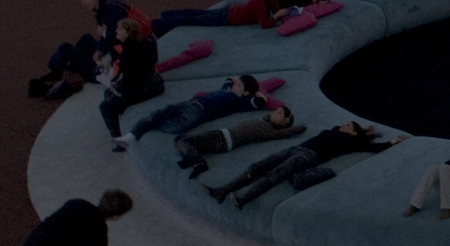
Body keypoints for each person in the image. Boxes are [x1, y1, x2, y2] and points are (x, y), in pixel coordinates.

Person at [205, 121, 405, 208]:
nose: (343, 125)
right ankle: (223, 190)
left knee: (273, 175)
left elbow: (373, 147)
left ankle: (243, 198)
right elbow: (343, 129)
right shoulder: (337, 131)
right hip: (296, 148)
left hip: (308, 156)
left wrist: (392, 141)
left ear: (353, 133)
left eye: (348, 126)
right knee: (257, 167)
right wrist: (365, 130)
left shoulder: (351, 141)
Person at [114, 76, 266, 150]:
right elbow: (228, 80)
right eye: (236, 83)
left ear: (246, 92)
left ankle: (152, 126)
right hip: (192, 102)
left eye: (239, 85)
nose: (235, 85)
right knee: (162, 111)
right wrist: (234, 80)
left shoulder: (240, 101)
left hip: (201, 113)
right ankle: (131, 135)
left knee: (179, 126)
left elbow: (258, 103)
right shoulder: (227, 88)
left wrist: (259, 94)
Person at [175, 104, 305, 178]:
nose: (276, 111)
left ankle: (198, 163)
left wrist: (291, 124)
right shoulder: (264, 121)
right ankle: (191, 159)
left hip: (224, 139)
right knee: (181, 140)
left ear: (283, 122)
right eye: (277, 110)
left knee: (183, 141)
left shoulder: (271, 131)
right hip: (222, 134)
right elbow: (267, 117)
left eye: (280, 113)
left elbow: (290, 131)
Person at [98, 17, 164, 140]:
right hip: (156, 83)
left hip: (144, 88)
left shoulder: (128, 52)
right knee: (110, 95)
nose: (116, 30)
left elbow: (130, 82)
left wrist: (116, 93)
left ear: (128, 32)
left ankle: (118, 139)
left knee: (105, 105)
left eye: (119, 29)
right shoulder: (146, 43)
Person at [152, 0, 292, 35]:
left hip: (230, 13)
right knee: (192, 19)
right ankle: (158, 25)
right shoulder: (260, 3)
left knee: (196, 14)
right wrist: (277, 16)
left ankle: (166, 16)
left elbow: (274, 7)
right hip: (227, 18)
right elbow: (265, 24)